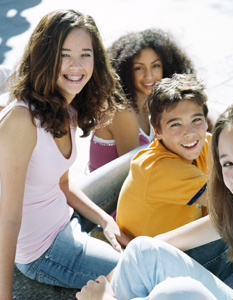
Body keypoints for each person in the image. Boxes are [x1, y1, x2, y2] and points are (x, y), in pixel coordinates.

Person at [76, 95, 233, 300]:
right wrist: (106, 282)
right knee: (144, 249)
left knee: (179, 293)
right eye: (227, 163)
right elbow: (160, 245)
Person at [0, 9, 130, 299]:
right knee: (134, 271)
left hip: (64, 219)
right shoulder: (21, 121)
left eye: (85, 54)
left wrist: (104, 220)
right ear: (44, 56)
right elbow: (6, 218)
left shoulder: (66, 106)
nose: (76, 65)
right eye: (64, 54)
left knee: (130, 168)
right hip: (42, 251)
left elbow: (61, 183)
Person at [88, 28, 197, 172]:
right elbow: (138, 172)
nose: (149, 75)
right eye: (139, 68)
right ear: (124, 71)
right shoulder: (122, 112)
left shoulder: (152, 104)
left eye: (155, 66)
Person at [116, 73, 210, 240]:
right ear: (157, 131)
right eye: (176, 124)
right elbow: (229, 202)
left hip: (179, 244)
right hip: (152, 259)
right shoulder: (160, 167)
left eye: (196, 120)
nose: (190, 133)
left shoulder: (204, 143)